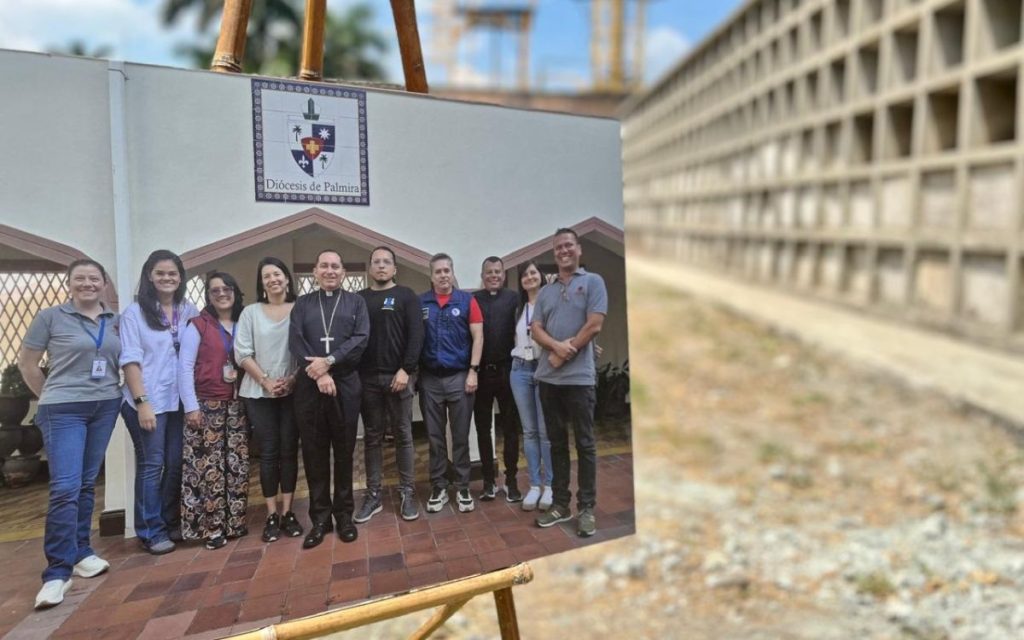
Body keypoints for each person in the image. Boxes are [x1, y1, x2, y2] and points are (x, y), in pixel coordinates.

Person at [18, 259, 121, 609]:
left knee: (86, 482)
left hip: (105, 405)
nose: (87, 284)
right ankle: (57, 572)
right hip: (63, 409)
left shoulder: (115, 320)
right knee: (65, 487)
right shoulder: (50, 317)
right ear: (69, 283)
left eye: (94, 278)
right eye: (80, 278)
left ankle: (81, 552)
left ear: (104, 283)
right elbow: (27, 363)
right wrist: (50, 394)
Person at [120, 249, 199, 554]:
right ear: (149, 276)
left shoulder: (188, 310)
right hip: (147, 400)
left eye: (172, 273)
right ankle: (150, 530)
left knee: (176, 463)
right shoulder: (135, 313)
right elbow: (130, 361)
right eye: (160, 273)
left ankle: (168, 521)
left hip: (177, 400)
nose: (167, 278)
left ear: (181, 278)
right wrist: (142, 402)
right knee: (152, 464)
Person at [289, 249, 369, 548]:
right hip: (311, 387)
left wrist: (330, 361)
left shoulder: (356, 302)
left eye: (335, 266)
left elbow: (361, 338)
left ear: (343, 272)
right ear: (315, 271)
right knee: (314, 454)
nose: (330, 271)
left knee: (345, 452)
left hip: (345, 384)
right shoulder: (302, 304)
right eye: (324, 265)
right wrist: (320, 373)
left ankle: (344, 516)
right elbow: (296, 341)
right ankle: (320, 519)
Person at [531, 229, 607, 537]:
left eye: (568, 245)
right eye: (558, 248)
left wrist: (565, 353)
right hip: (548, 380)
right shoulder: (546, 292)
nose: (563, 251)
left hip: (579, 380)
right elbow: (536, 328)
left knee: (585, 444)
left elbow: (595, 324)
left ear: (578, 248)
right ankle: (561, 504)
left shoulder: (593, 282)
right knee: (557, 443)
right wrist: (555, 347)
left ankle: (586, 508)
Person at [177, 272, 249, 550]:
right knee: (209, 469)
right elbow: (185, 367)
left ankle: (235, 523)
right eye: (215, 290)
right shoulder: (198, 325)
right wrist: (191, 407)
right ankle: (213, 528)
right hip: (206, 405)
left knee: (236, 466)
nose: (221, 294)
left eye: (226, 288)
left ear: (235, 292)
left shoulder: (244, 322)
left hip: (237, 405)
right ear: (208, 296)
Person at [235, 257, 303, 543]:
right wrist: (266, 381)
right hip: (258, 392)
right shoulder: (250, 312)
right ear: (261, 283)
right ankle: (271, 514)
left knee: (289, 450)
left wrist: (293, 379)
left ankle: (288, 512)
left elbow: (307, 348)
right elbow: (242, 353)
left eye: (277, 274)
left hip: (292, 390)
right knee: (269, 452)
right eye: (267, 276)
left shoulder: (300, 309)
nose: (273, 279)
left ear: (286, 278)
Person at [355, 246, 424, 523]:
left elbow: (417, 336)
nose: (381, 266)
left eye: (386, 262)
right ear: (370, 267)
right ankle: (373, 495)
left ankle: (407, 492)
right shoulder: (360, 299)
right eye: (377, 262)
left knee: (403, 435)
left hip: (399, 378)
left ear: (395, 268)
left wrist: (406, 370)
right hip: (367, 380)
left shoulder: (406, 296)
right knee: (372, 438)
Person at [419, 253, 483, 514]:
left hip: (460, 376)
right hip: (430, 379)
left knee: (460, 436)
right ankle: (439, 487)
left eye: (447, 270)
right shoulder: (421, 302)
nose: (443, 275)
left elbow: (478, 337)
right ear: (431, 275)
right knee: (435, 438)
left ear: (452, 273)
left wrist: (473, 371)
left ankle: (463, 486)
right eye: (438, 271)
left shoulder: (467, 301)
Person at [473, 256, 522, 502]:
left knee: (511, 428)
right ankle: (488, 481)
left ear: (503, 274)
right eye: (489, 272)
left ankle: (511, 480)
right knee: (483, 428)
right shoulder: (474, 299)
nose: (493, 275)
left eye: (497, 272)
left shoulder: (514, 298)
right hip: (482, 373)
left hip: (507, 371)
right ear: (483, 276)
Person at [508, 260, 553, 512]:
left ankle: (550, 486)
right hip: (520, 370)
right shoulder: (518, 308)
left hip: (544, 368)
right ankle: (535, 485)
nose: (529, 277)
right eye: (524, 274)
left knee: (545, 431)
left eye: (533, 272)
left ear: (541, 276)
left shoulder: (550, 304)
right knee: (529, 431)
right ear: (521, 281)